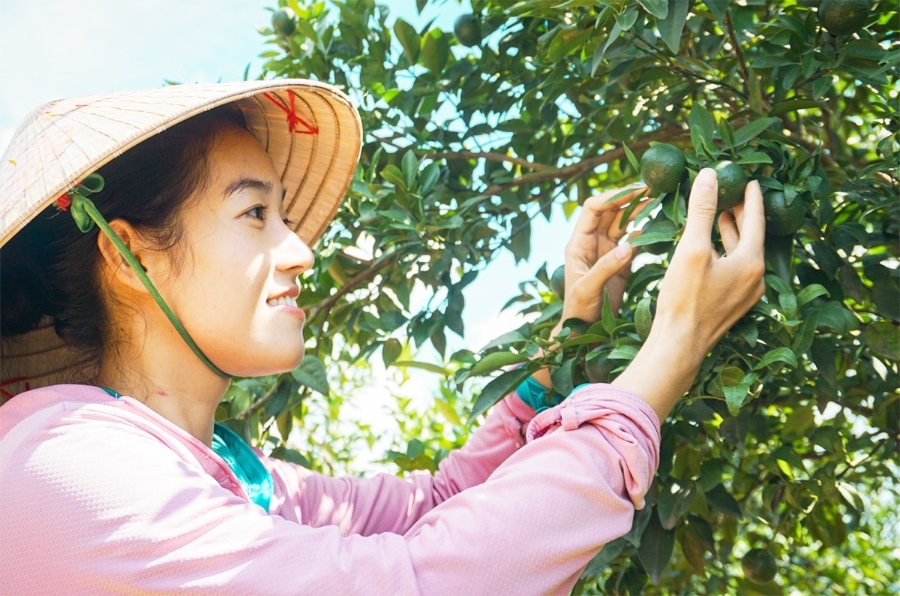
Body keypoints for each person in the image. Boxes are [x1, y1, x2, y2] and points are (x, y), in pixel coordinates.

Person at [0, 79, 765, 595]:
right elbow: (416, 582)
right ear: (131, 256)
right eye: (254, 215)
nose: (300, 250)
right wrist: (668, 354)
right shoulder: (64, 469)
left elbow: (437, 505)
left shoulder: (237, 476)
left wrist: (566, 346)